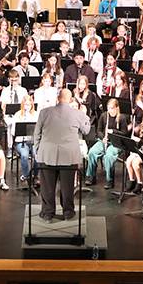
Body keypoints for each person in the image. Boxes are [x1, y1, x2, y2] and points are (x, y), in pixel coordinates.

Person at [34, 88, 90, 221]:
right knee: (67, 187)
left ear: (57, 98)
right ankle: (68, 213)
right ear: (70, 100)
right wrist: (85, 115)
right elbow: (86, 130)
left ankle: (48, 213)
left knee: (47, 187)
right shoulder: (78, 114)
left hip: (47, 154)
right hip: (69, 156)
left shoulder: (44, 112)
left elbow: (37, 133)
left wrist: (37, 149)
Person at [13, 95, 38, 183]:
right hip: (21, 141)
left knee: (37, 156)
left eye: (29, 104)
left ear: (32, 105)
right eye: (25, 105)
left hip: (34, 141)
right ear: (23, 105)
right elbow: (13, 132)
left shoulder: (36, 114)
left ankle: (35, 175)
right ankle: (26, 175)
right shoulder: (17, 114)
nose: (27, 106)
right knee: (24, 155)